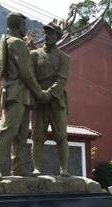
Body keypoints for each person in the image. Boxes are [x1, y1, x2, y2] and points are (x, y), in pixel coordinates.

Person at [0, 12, 49, 180]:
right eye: (24, 25)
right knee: (8, 130)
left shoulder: (6, 41)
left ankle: (18, 168)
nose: (25, 28)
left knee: (21, 134)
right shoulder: (17, 43)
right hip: (16, 92)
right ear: (17, 26)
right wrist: (40, 93)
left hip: (20, 93)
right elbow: (27, 73)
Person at [30, 22, 71, 176]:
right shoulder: (34, 55)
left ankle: (64, 169)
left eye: (51, 33)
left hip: (57, 101)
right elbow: (30, 76)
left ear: (57, 37)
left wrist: (48, 94)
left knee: (61, 136)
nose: (47, 36)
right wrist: (39, 93)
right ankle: (37, 168)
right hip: (39, 101)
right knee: (37, 137)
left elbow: (62, 79)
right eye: (46, 33)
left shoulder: (64, 58)